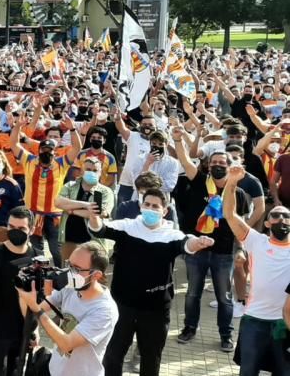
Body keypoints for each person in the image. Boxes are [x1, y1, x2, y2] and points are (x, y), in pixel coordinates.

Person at [87, 189, 216, 376]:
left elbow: (187, 244)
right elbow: (100, 229)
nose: (150, 209)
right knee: (113, 355)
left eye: (155, 206)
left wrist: (199, 242)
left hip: (155, 309)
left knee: (151, 358)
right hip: (122, 305)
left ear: (165, 211)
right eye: (147, 204)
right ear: (141, 206)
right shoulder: (128, 226)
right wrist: (93, 217)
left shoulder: (171, 234)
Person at [173, 139, 249, 351]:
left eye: (222, 163)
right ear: (208, 165)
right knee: (192, 293)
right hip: (197, 249)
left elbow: (240, 226)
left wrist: (240, 249)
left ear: (229, 166)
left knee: (224, 297)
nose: (217, 165)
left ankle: (226, 335)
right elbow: (185, 161)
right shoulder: (199, 182)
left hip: (224, 253)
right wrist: (178, 139)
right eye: (213, 162)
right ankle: (189, 328)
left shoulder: (237, 193)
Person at [222, 165, 290, 375]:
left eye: (286, 217)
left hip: (285, 324)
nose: (282, 220)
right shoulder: (256, 241)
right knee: (248, 371)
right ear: (267, 223)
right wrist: (232, 182)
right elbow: (230, 214)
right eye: (276, 216)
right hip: (254, 320)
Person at [18, 241, 119, 376]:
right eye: (69, 265)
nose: (69, 272)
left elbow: (67, 344)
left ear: (96, 275)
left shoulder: (104, 310)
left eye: (76, 269)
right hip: (54, 370)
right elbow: (30, 312)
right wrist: (24, 291)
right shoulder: (70, 288)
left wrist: (36, 308)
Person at [0, 206, 40, 376]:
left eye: (21, 228)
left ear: (32, 229)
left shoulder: (37, 258)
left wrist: (35, 330)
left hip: (23, 333)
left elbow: (37, 300)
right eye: (11, 227)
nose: (15, 231)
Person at [11, 119, 81, 268]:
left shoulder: (61, 163)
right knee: (37, 250)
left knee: (56, 250)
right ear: (39, 151)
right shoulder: (29, 161)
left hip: (54, 215)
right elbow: (14, 144)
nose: (46, 153)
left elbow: (77, 147)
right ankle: (40, 275)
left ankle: (60, 275)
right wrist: (17, 126)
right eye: (44, 150)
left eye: (50, 150)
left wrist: (73, 129)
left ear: (54, 152)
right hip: (33, 214)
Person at [54, 157, 114, 261]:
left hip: (93, 242)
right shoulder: (70, 186)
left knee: (91, 269)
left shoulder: (106, 192)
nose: (91, 173)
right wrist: (86, 205)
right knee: (68, 268)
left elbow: (99, 213)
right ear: (82, 171)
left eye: (95, 170)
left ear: (100, 173)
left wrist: (72, 210)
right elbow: (58, 202)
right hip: (69, 239)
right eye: (88, 169)